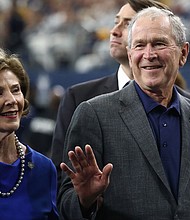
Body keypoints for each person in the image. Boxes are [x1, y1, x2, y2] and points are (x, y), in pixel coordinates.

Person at [58, 6, 190, 219]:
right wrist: (85, 200)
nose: (149, 54)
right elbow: (65, 205)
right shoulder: (94, 114)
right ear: (130, 55)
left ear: (183, 53)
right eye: (139, 45)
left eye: (159, 43)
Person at [0, 49, 59, 219]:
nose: (11, 100)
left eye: (16, 90)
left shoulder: (43, 168)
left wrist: (85, 201)